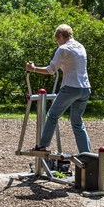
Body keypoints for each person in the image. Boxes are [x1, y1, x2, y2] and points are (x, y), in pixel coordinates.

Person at [25, 24, 91, 154]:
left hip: (71, 87)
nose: (57, 43)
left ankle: (42, 146)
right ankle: (86, 154)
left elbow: (51, 70)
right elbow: (71, 65)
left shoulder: (63, 49)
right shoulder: (80, 47)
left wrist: (33, 68)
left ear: (61, 36)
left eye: (57, 40)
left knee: (53, 115)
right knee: (77, 122)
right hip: (85, 88)